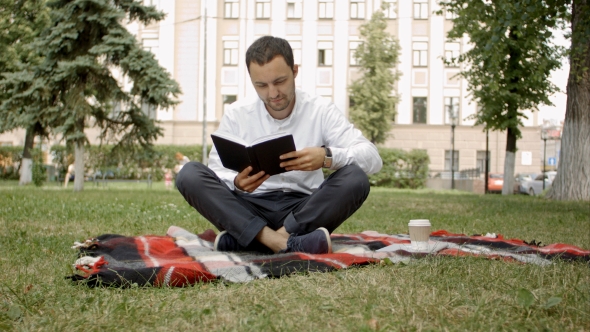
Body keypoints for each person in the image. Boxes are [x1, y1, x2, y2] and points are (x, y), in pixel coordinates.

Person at [176, 36, 382, 255]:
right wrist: (237, 183)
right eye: (261, 85)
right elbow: (217, 171)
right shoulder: (237, 113)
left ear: (295, 71)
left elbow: (372, 159)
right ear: (251, 80)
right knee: (189, 174)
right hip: (249, 207)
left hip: (303, 210)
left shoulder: (321, 110)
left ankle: (253, 239)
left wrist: (327, 157)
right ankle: (282, 243)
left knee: (356, 178)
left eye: (279, 81)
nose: (272, 93)